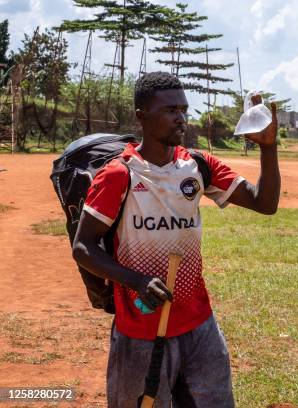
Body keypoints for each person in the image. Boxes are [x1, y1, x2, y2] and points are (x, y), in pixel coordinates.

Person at [72, 72, 280, 407]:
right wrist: (136, 280)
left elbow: (264, 203)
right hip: (139, 329)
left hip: (199, 325)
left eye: (183, 109)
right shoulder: (119, 175)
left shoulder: (197, 165)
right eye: (170, 110)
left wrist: (269, 148)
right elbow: (83, 248)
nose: (180, 118)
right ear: (142, 115)